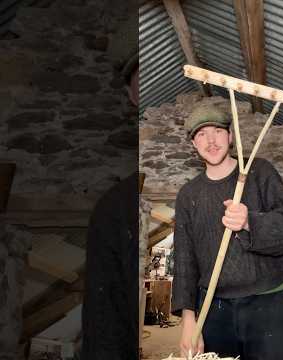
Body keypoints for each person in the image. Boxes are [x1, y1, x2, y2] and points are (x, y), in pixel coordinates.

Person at [171, 105, 283, 359]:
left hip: (268, 303)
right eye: (201, 134)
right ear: (194, 144)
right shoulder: (188, 195)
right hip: (213, 308)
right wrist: (188, 319)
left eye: (217, 131)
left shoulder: (259, 172)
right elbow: (184, 260)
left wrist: (250, 222)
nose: (210, 140)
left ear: (230, 136)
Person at [81, 11, 139, 360]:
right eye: (142, 82)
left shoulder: (251, 183)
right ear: (133, 96)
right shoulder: (114, 209)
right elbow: (104, 329)